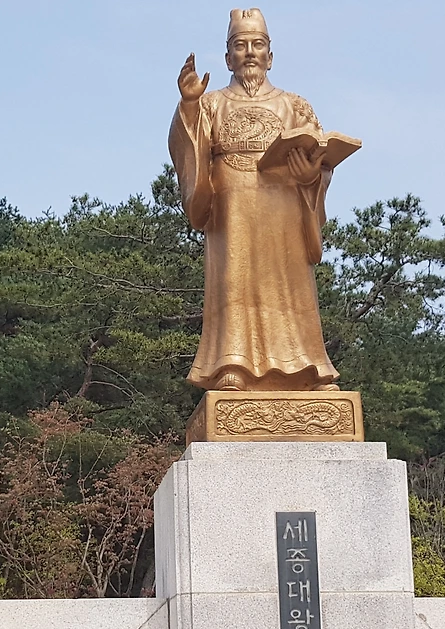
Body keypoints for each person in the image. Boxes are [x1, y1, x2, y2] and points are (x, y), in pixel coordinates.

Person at [169, 8, 340, 392]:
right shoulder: (212, 103)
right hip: (233, 209)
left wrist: (310, 176)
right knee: (235, 283)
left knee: (291, 287)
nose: (249, 53)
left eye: (257, 45)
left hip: (285, 207)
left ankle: (307, 369)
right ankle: (232, 365)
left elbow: (320, 157)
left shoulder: (295, 105)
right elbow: (188, 147)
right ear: (228, 57)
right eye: (240, 45)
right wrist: (190, 105)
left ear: (270, 56)